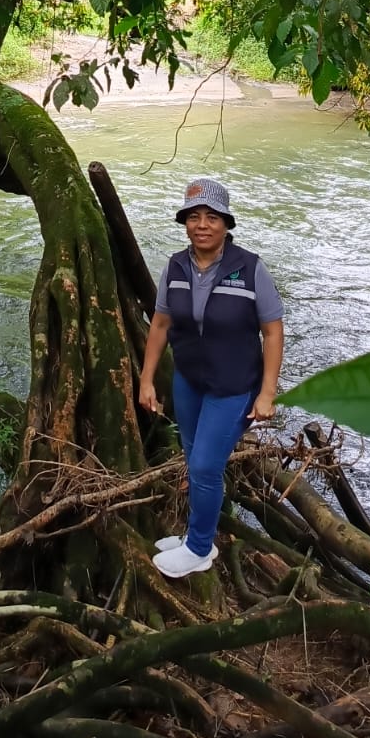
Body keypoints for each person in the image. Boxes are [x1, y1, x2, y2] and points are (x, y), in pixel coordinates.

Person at [138, 176, 284, 578]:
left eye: (212, 217)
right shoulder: (175, 267)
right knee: (193, 459)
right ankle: (196, 535)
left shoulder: (249, 269)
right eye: (194, 217)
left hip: (233, 387)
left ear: (226, 224)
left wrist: (267, 393)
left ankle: (200, 549)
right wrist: (146, 379)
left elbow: (273, 332)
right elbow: (160, 324)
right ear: (185, 222)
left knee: (204, 466)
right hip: (189, 381)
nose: (202, 225)